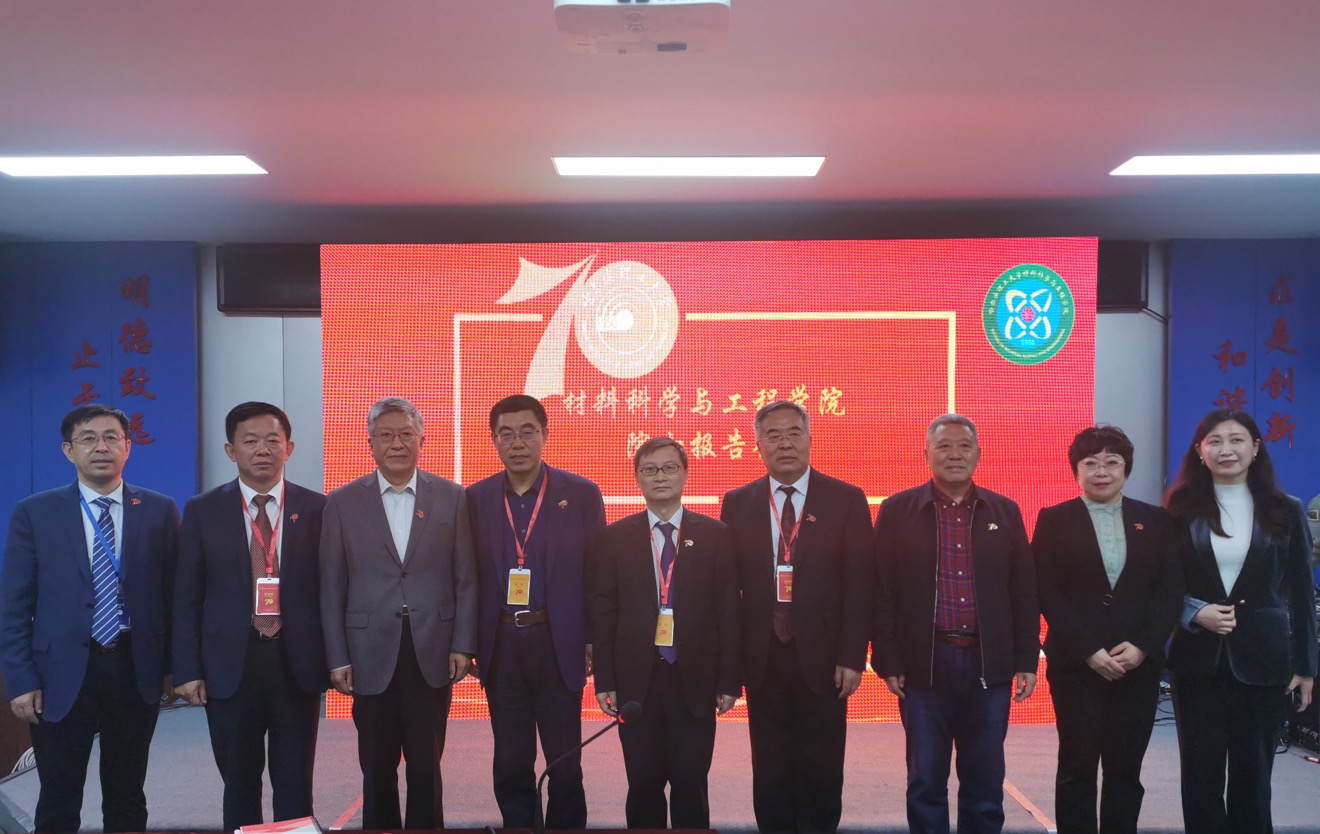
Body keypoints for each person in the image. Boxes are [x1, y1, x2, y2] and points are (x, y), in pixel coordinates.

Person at [0, 404, 179, 833]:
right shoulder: (35, 512)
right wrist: (20, 679)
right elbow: (14, 605)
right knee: (58, 797)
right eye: (88, 438)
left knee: (127, 793)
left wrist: (176, 669)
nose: (102, 447)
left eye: (112, 437)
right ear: (69, 450)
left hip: (133, 668)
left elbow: (175, 597)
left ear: (127, 447)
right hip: (58, 673)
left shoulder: (158, 509)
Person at [872, 413, 1037, 834]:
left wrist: (1026, 659)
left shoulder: (1005, 511)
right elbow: (881, 590)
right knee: (925, 779)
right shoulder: (897, 510)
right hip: (924, 663)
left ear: (978, 454)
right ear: (926, 454)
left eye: (964, 446)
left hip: (988, 664)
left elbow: (1023, 591)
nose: (954, 454)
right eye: (943, 446)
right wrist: (887, 658)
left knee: (985, 781)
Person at [320, 396, 478, 829]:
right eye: (386, 435)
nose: (396, 444)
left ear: (422, 441)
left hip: (432, 649)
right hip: (368, 651)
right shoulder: (342, 502)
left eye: (406, 434)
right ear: (370, 443)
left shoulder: (451, 497)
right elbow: (331, 587)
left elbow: (466, 577)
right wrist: (337, 657)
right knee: (376, 765)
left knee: (426, 765)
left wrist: (464, 644)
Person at [172, 402, 327, 831]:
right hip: (229, 666)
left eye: (273, 440)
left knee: (295, 782)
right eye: (251, 441)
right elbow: (187, 596)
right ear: (231, 450)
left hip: (296, 664)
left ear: (289, 448)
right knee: (238, 782)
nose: (263, 449)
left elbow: (331, 591)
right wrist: (186, 669)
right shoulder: (203, 510)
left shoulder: (317, 508)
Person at [719, 400, 872, 834]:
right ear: (758, 445)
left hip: (824, 658)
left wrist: (852, 657)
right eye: (773, 435)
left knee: (821, 766)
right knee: (769, 766)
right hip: (763, 656)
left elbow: (860, 585)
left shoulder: (845, 499)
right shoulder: (738, 502)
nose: (784, 443)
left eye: (793, 433)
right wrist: (731, 666)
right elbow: (728, 592)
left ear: (809, 439)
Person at [1163, 408, 1316, 834]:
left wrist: (1306, 666)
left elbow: (1302, 591)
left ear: (1255, 448)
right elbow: (1163, 582)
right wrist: (1195, 611)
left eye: (1236, 440)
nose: (1225, 449)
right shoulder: (1180, 508)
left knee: (1254, 779)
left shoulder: (1286, 509)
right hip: (1197, 661)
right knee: (1200, 776)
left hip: (1265, 660)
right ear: (1200, 451)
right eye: (1214, 441)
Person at [1031, 425, 1182, 834]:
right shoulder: (1054, 519)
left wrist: (1144, 646)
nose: (1102, 471)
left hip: (1138, 667)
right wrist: (1088, 649)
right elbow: (1045, 589)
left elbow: (1169, 590)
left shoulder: (1156, 520)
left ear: (1126, 469)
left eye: (1112, 462)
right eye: (1091, 463)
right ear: (1076, 470)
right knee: (1076, 768)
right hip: (1077, 666)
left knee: (1125, 770)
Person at [466, 394, 606, 829]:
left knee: (564, 760)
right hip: (502, 643)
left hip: (558, 642)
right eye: (506, 434)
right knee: (511, 759)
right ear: (494, 440)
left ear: (545, 435)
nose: (517, 443)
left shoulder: (580, 494)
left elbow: (597, 574)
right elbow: (467, 576)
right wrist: (468, 643)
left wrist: (593, 640)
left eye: (527, 432)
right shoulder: (476, 498)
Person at [593, 437, 740, 829]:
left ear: (685, 474)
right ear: (637, 478)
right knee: (643, 786)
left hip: (696, 680)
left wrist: (729, 680)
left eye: (670, 468)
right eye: (650, 470)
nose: (660, 477)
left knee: (691, 785)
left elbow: (728, 612)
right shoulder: (615, 537)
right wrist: (605, 680)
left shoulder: (716, 535)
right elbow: (605, 613)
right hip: (636, 684)